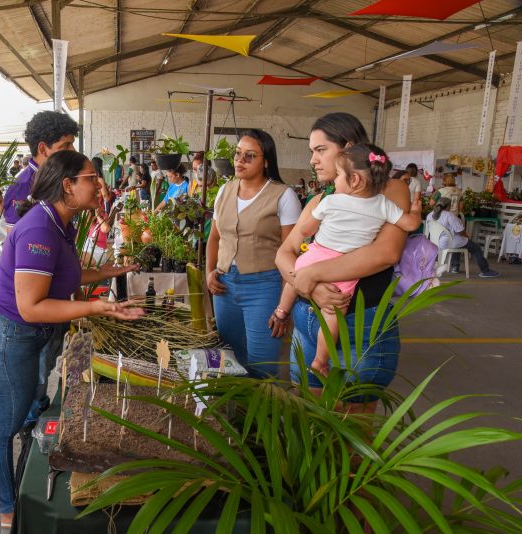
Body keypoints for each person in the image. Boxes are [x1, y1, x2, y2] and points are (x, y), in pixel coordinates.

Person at [0, 151, 144, 527]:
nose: (100, 185)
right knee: (5, 425)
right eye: (92, 177)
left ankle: (15, 487)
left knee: (26, 410)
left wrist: (108, 271)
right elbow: (31, 306)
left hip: (34, 334)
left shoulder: (62, 222)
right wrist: (96, 309)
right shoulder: (40, 229)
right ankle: (6, 507)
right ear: (68, 186)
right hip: (16, 333)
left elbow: (63, 275)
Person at [275, 112, 410, 413]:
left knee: (350, 430)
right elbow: (284, 253)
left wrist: (311, 276)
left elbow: (385, 254)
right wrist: (313, 288)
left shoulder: (391, 190)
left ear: (348, 149)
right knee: (310, 422)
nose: (313, 160)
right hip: (309, 322)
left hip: (358, 325)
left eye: (320, 150)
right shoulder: (322, 200)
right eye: (312, 151)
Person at [205, 129, 302, 378]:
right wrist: (209, 273)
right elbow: (214, 238)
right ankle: (234, 416)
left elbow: (291, 252)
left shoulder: (283, 195)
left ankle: (263, 417)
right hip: (224, 286)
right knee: (230, 360)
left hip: (264, 286)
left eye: (249, 156)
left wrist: (284, 306)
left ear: (266, 161)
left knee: (262, 365)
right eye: (237, 154)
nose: (240, 160)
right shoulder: (225, 191)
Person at [2, 111, 78, 227]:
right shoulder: (20, 187)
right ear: (43, 149)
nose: (73, 150)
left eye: (72, 144)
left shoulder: (62, 177)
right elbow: (18, 239)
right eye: (66, 145)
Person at [427, 196, 500, 277]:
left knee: (458, 242)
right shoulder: (449, 215)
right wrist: (467, 237)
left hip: (435, 242)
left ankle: (455, 267)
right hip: (449, 242)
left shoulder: (430, 215)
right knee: (475, 248)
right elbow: (460, 231)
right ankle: (485, 271)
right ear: (448, 206)